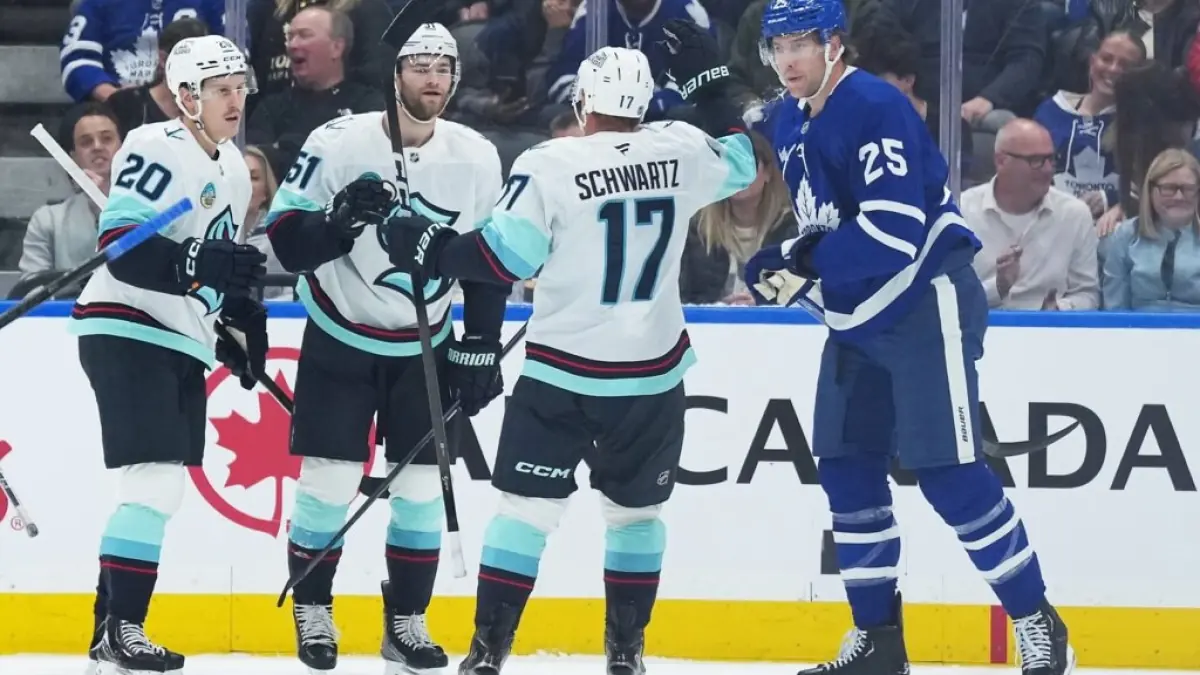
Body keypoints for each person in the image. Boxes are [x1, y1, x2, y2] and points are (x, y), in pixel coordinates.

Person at [662, 4, 1076, 675]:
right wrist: (705, 83)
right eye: (776, 47)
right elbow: (746, 126)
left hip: (924, 305)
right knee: (847, 468)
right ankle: (878, 639)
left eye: (801, 44)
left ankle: (1038, 622)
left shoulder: (877, 107)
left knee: (948, 474)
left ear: (835, 43)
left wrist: (800, 258)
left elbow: (891, 233)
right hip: (857, 318)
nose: (787, 60)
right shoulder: (793, 116)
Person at [384, 45, 757, 675]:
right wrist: (714, 87)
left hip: (562, 372)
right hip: (651, 374)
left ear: (582, 102)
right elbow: (743, 161)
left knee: (525, 514)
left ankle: (488, 650)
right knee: (636, 516)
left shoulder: (550, 162)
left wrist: (430, 246)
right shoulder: (682, 147)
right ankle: (626, 653)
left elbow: (502, 260)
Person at [263, 22, 508, 674]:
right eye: (420, 65)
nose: (434, 78)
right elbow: (286, 238)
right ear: (394, 74)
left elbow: (488, 260)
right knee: (328, 480)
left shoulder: (478, 155)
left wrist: (482, 343)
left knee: (422, 487)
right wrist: (338, 221)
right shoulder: (337, 142)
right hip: (340, 335)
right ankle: (314, 608)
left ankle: (406, 620)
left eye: (444, 67)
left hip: (425, 345)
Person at [70, 35, 268, 675]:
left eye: (239, 88)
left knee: (159, 490)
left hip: (179, 336)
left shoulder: (233, 165)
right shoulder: (153, 144)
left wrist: (235, 316)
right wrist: (194, 262)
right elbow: (122, 246)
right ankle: (123, 631)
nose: (235, 100)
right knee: (153, 482)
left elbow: (213, 262)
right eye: (220, 90)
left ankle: (109, 634)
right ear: (186, 96)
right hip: (126, 326)